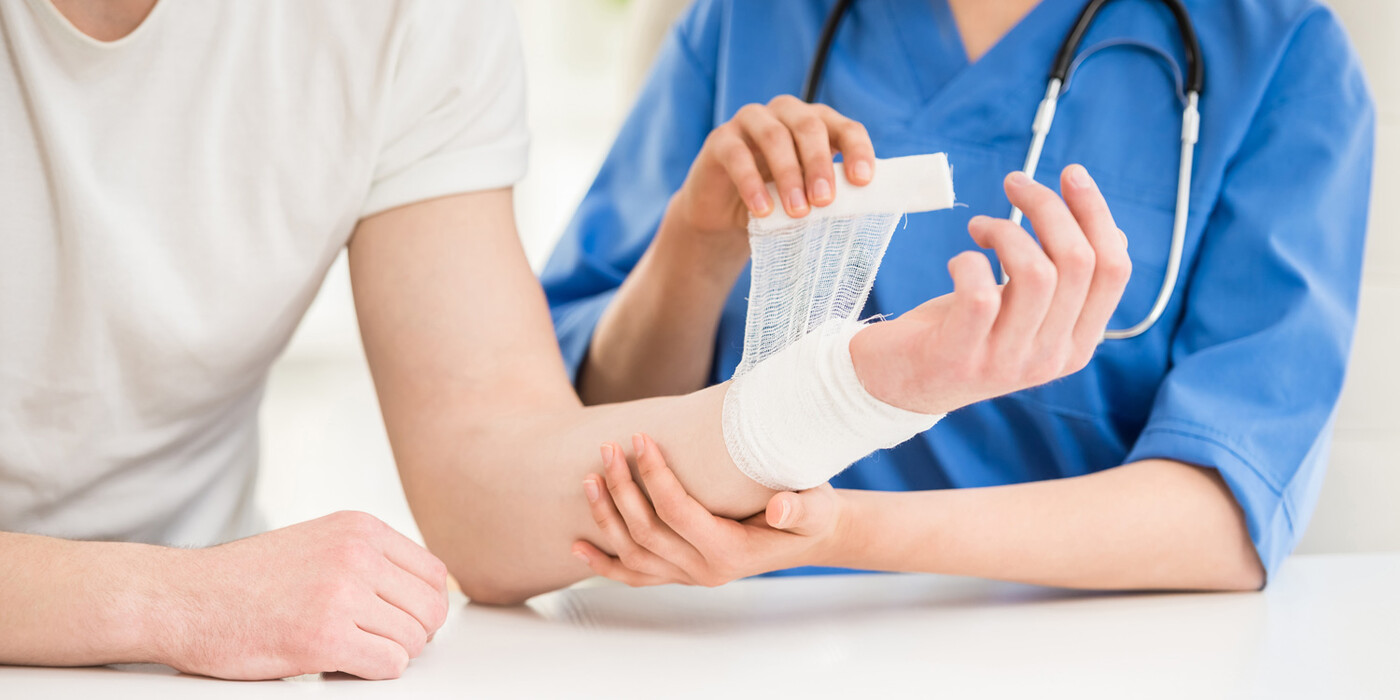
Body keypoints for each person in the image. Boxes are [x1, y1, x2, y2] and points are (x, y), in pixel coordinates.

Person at [0, 0, 1129, 680]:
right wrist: (169, 601)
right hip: (187, 633)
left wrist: (871, 383)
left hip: (201, 677)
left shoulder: (407, 21)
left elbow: (491, 489)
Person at [541, 0, 1374, 589]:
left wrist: (831, 537)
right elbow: (577, 426)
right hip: (709, 629)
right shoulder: (747, 19)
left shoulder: (1282, 54)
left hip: (1075, 653)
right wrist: (697, 246)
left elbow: (1225, 515)